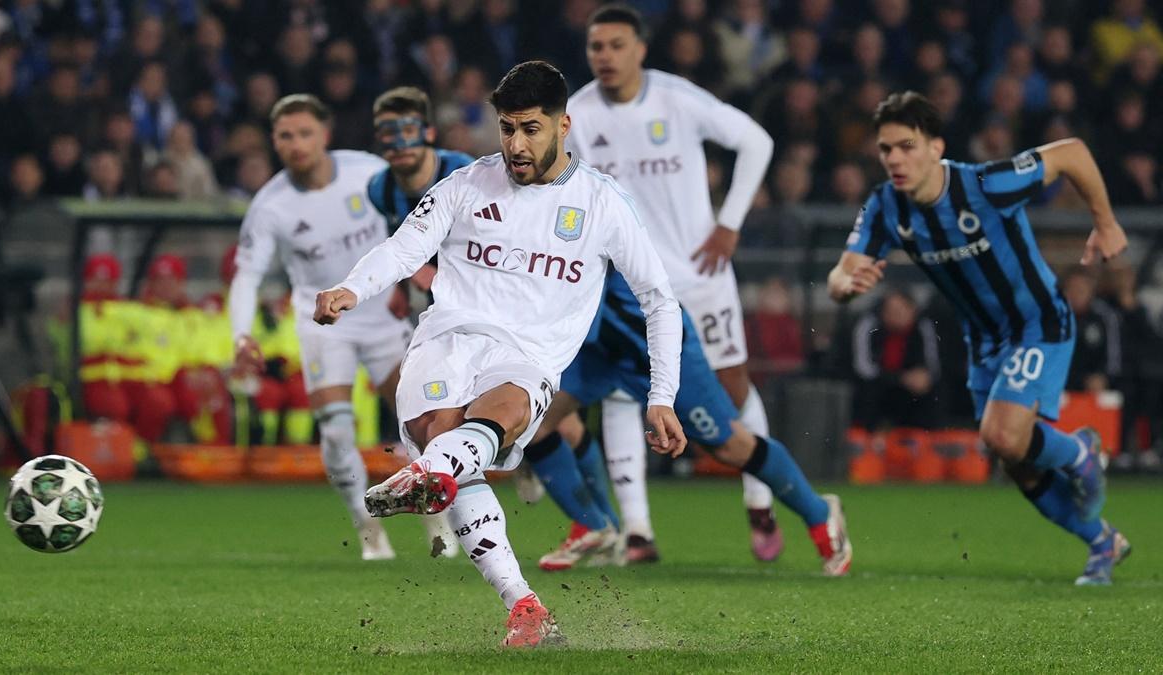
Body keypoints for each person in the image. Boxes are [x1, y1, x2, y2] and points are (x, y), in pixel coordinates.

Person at [313, 61, 685, 648]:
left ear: (565, 125)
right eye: (507, 128)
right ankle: (525, 605)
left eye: (531, 129)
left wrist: (662, 395)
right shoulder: (465, 185)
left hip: (528, 355)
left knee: (496, 415)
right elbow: (403, 248)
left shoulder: (602, 202)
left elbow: (660, 301)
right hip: (443, 343)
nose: (515, 144)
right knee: (445, 442)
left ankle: (432, 475)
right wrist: (349, 290)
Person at [828, 91, 1130, 585]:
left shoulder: (986, 184)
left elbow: (1072, 151)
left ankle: (1080, 452)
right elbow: (841, 276)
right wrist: (848, 286)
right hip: (984, 340)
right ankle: (1102, 542)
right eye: (885, 150)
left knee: (1000, 435)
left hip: (1038, 322)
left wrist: (1106, 220)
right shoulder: (885, 207)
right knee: (1017, 462)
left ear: (935, 147)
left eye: (906, 146)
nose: (895, 159)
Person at [562, 3, 782, 563]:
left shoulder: (677, 98)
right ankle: (638, 531)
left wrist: (729, 221)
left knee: (731, 394)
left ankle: (759, 496)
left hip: (700, 274)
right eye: (596, 47)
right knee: (617, 392)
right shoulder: (579, 116)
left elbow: (757, 141)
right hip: (628, 285)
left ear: (640, 49)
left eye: (615, 45)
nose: (604, 57)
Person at [228, 94, 455, 562]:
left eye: (305, 133)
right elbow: (246, 275)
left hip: (383, 316)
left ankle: (437, 518)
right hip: (323, 324)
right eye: (285, 136)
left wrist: (415, 275)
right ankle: (367, 526)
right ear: (274, 141)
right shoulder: (271, 205)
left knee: (422, 420)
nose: (296, 144)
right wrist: (240, 336)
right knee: (335, 431)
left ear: (325, 135)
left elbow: (410, 222)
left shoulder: (367, 172)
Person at [524, 270, 853, 576]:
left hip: (654, 347)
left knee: (729, 446)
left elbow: (571, 310)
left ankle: (819, 513)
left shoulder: (588, 219)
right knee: (534, 423)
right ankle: (593, 526)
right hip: (601, 351)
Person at [365, 86, 474, 319]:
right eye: (388, 133)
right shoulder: (379, 189)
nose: (399, 144)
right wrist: (401, 287)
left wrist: (435, 274)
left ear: (429, 134)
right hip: (435, 301)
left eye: (408, 130)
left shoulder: (465, 175)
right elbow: (398, 237)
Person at [849, 288, 943, 431]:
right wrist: (900, 378)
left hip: (910, 387)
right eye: (889, 311)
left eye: (900, 311)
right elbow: (864, 368)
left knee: (930, 390)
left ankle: (924, 438)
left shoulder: (923, 326)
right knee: (867, 392)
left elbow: (933, 364)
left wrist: (924, 376)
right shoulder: (869, 325)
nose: (894, 316)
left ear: (912, 310)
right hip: (879, 383)